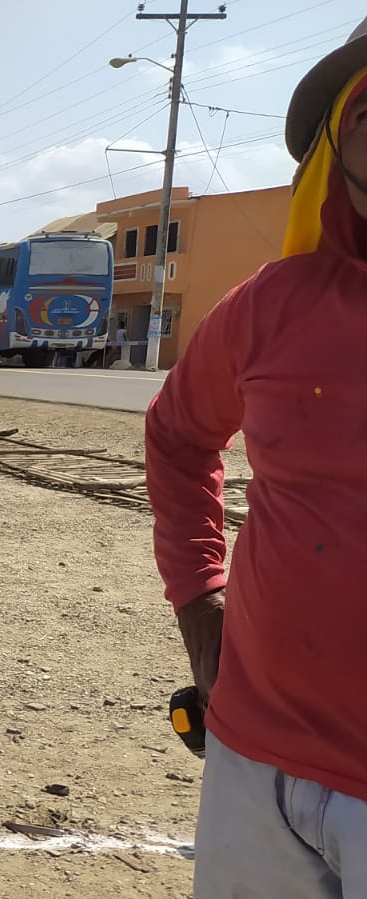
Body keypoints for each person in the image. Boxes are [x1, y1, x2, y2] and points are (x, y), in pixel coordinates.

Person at [146, 19, 367, 898]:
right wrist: (201, 603)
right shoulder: (268, 308)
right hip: (252, 763)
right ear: (336, 144)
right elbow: (176, 435)